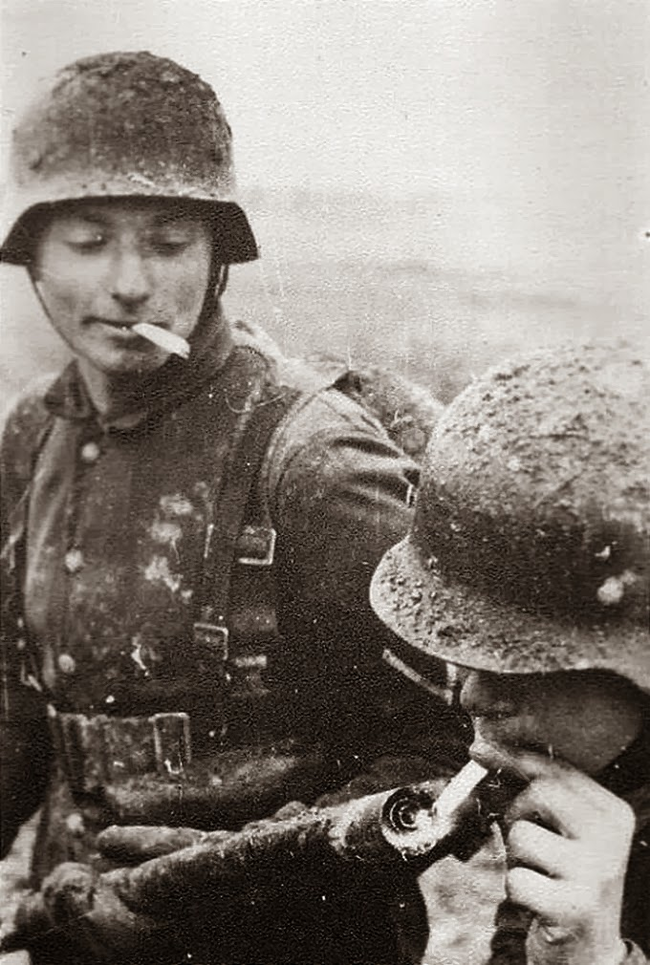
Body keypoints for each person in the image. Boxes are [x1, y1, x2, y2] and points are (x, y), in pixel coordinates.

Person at [0, 51, 465, 964]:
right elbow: (17, 703)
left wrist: (238, 876)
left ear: (218, 257)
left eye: (169, 241)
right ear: (34, 258)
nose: (129, 282)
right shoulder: (33, 439)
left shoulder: (311, 460)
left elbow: (448, 754)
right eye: (89, 242)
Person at [370, 341, 650, 964]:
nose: (471, 694)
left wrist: (598, 958)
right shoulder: (593, 776)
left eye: (519, 664)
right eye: (463, 652)